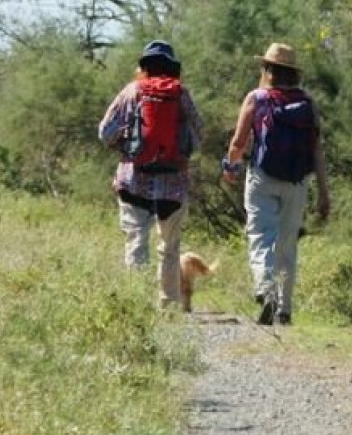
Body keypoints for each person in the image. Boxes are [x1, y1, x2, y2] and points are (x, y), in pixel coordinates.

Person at [221, 42, 332, 325]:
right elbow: (317, 149)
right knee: (287, 244)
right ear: (294, 73)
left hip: (262, 177)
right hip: (297, 181)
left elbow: (238, 142)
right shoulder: (307, 103)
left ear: (267, 69)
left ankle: (265, 289)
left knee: (260, 236)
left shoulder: (257, 98)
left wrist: (230, 167)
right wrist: (323, 192)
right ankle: (285, 309)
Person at [98, 40, 205, 309]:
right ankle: (168, 305)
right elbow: (198, 134)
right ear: (172, 69)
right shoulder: (181, 95)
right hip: (173, 184)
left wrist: (128, 150)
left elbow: (105, 132)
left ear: (143, 67)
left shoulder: (131, 91)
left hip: (134, 181)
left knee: (137, 242)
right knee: (169, 249)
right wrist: (178, 154)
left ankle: (137, 306)